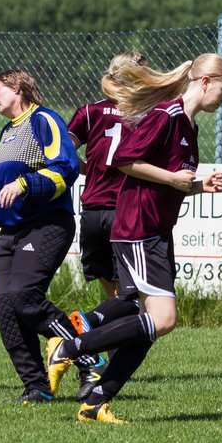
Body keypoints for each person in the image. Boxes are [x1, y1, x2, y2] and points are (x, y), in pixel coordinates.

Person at [46, 53, 222, 423]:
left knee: (144, 322)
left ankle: (96, 401)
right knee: (162, 320)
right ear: (206, 82)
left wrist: (197, 186)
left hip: (156, 231)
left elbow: (172, 180)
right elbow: (125, 160)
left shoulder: (188, 127)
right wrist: (173, 179)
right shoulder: (166, 116)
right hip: (138, 229)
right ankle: (70, 345)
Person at [0, 69, 81, 403]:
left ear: (17, 88)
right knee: (6, 309)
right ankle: (36, 386)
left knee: (23, 297)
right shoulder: (8, 131)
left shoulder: (43, 119)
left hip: (48, 223)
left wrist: (24, 184)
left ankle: (85, 345)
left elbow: (67, 168)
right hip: (14, 230)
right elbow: (9, 192)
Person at [53, 53, 150, 400]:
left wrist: (88, 170)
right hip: (125, 211)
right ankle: (95, 349)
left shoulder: (89, 111)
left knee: (112, 294)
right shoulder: (143, 113)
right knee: (130, 296)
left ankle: (98, 354)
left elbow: (62, 151)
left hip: (92, 210)